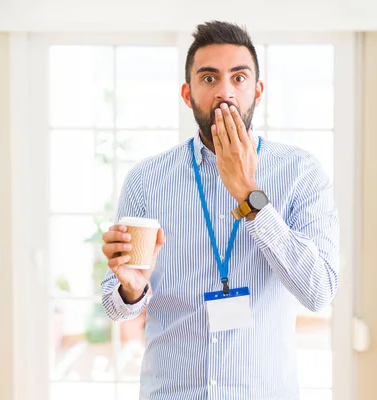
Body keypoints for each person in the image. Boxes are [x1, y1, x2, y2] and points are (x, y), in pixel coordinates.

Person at [100, 20, 340, 400]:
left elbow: (320, 291)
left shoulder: (301, 173)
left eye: (239, 78)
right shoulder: (146, 179)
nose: (225, 92)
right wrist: (131, 289)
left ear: (257, 91)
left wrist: (248, 192)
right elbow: (118, 309)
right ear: (187, 93)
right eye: (209, 79)